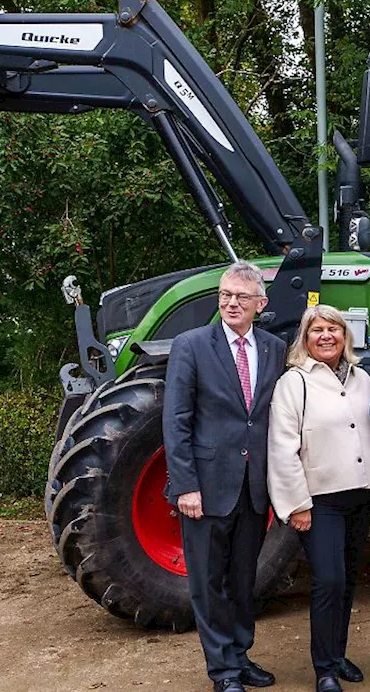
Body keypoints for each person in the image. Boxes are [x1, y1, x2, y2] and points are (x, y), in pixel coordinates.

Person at [163, 261, 287, 692]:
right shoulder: (191, 345)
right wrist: (185, 485)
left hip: (253, 489)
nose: (231, 303)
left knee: (242, 579)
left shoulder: (274, 349)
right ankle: (223, 670)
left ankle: (241, 653)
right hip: (206, 488)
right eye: (225, 295)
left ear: (260, 303)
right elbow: (176, 422)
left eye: (240, 297)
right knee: (207, 582)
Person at [267, 305, 370, 692]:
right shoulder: (294, 383)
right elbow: (282, 449)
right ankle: (324, 669)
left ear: (345, 336)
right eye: (317, 330)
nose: (326, 336)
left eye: (333, 329)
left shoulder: (362, 379)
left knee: (348, 579)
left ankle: (338, 653)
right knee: (329, 580)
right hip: (319, 501)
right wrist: (296, 504)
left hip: (358, 494)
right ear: (305, 339)